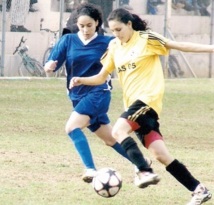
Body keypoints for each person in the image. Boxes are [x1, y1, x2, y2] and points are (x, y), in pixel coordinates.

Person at [70, 8, 213, 205]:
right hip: (135, 108)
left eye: (119, 29)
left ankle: (144, 170)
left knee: (118, 130)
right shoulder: (114, 47)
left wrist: (211, 48)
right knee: (161, 155)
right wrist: (81, 80)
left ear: (129, 25)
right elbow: (101, 77)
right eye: (112, 31)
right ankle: (198, 190)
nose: (116, 34)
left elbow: (179, 45)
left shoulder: (146, 39)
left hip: (148, 100)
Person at [43, 3, 134, 184]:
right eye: (81, 26)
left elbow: (130, 50)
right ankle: (141, 164)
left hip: (98, 93)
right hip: (77, 96)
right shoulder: (68, 40)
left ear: (97, 23)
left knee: (72, 127)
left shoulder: (108, 42)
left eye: (89, 26)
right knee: (110, 139)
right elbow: (52, 63)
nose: (85, 30)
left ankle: (90, 169)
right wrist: (49, 66)